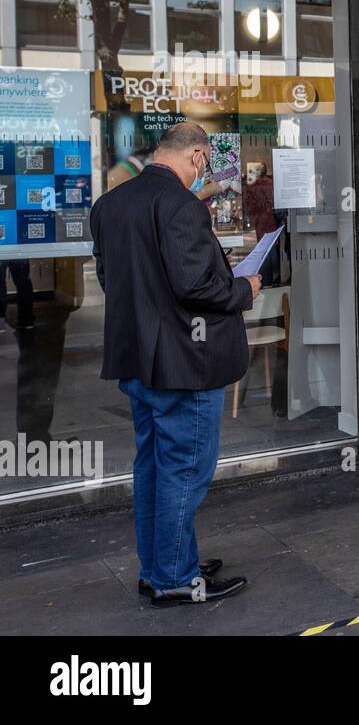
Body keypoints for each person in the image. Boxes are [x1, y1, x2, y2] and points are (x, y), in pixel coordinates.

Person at [90, 121, 257, 607]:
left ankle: (161, 563)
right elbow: (195, 288)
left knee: (153, 469)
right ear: (199, 158)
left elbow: (114, 278)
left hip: (137, 360)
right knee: (184, 470)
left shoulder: (110, 204)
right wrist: (244, 288)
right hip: (185, 363)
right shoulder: (182, 205)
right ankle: (176, 578)